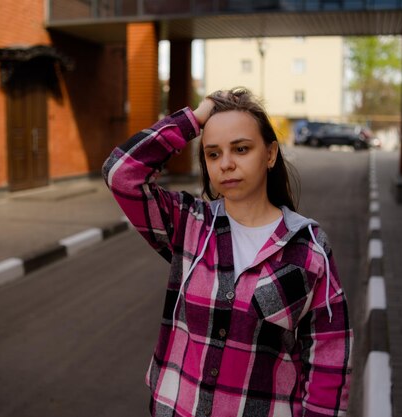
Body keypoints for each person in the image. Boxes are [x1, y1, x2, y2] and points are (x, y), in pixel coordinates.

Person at [103, 88, 352, 417]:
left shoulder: (306, 246)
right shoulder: (189, 225)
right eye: (213, 154)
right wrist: (197, 116)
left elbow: (328, 359)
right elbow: (122, 174)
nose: (227, 164)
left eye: (241, 149)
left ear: (270, 154)